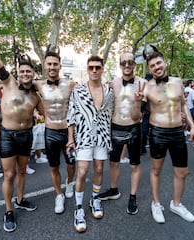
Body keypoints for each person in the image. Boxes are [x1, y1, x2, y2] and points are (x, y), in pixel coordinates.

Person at [0, 16, 44, 232]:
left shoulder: (35, 93)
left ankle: (21, 199)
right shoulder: (8, 82)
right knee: (9, 174)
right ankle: (8, 210)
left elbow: (45, 113)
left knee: (22, 171)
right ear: (19, 72)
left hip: (26, 135)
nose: (25, 74)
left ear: (33, 74)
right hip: (8, 135)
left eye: (29, 71)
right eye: (22, 71)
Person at [142, 49, 194, 223]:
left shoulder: (178, 82)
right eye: (152, 66)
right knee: (156, 170)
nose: (156, 67)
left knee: (182, 172)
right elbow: (139, 112)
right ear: (150, 69)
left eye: (158, 63)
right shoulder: (147, 87)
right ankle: (156, 204)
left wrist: (192, 126)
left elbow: (184, 106)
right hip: (158, 132)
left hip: (178, 133)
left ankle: (176, 204)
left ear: (164, 63)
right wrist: (138, 101)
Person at [67, 55, 114, 232]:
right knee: (83, 171)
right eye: (91, 67)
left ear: (102, 69)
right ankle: (78, 208)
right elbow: (71, 115)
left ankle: (95, 199)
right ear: (87, 69)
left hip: (102, 136)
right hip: (84, 137)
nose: (94, 70)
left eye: (97, 67)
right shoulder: (78, 91)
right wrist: (70, 139)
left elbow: (112, 113)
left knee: (100, 169)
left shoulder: (109, 92)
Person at [97, 52, 145, 215]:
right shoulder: (113, 83)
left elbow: (142, 113)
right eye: (123, 62)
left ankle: (133, 197)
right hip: (115, 127)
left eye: (130, 62)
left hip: (134, 128)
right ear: (119, 65)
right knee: (113, 162)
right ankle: (113, 190)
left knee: (134, 164)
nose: (126, 65)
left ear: (134, 64)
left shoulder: (143, 83)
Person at [34, 50, 76, 214]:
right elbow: (17, 84)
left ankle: (70, 181)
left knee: (71, 164)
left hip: (68, 132)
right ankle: (59, 195)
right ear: (45, 66)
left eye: (55, 64)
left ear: (60, 66)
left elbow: (88, 92)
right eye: (49, 64)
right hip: (50, 131)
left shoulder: (71, 84)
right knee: (53, 167)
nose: (52, 67)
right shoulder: (38, 84)